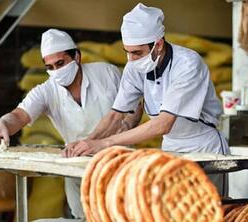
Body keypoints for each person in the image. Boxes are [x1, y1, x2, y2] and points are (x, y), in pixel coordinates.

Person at [68, 3, 229, 194]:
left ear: (158, 44)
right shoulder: (134, 67)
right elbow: (115, 115)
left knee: (209, 210)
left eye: (137, 52)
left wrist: (105, 143)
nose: (131, 59)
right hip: (170, 145)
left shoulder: (187, 64)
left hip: (204, 147)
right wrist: (86, 143)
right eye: (127, 51)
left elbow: (163, 124)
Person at [0, 29, 142, 219]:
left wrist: (125, 127)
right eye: (50, 67)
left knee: (122, 215)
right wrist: (3, 123)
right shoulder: (46, 91)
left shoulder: (107, 73)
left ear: (76, 56)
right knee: (84, 217)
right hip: (76, 166)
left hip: (118, 161)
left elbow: (135, 106)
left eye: (60, 63)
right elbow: (19, 116)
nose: (56, 71)